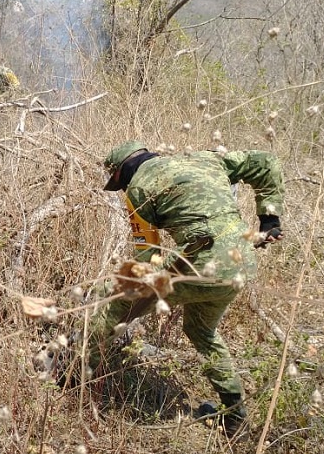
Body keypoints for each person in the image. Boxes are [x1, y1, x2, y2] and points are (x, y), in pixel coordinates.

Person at [83, 141, 285, 438]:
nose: (122, 189)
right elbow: (266, 161)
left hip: (201, 263)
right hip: (242, 263)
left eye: (119, 184)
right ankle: (234, 416)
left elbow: (147, 256)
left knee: (109, 294)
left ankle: (78, 375)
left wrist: (137, 291)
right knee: (201, 331)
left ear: (121, 174)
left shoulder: (137, 188)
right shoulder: (205, 159)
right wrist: (269, 218)